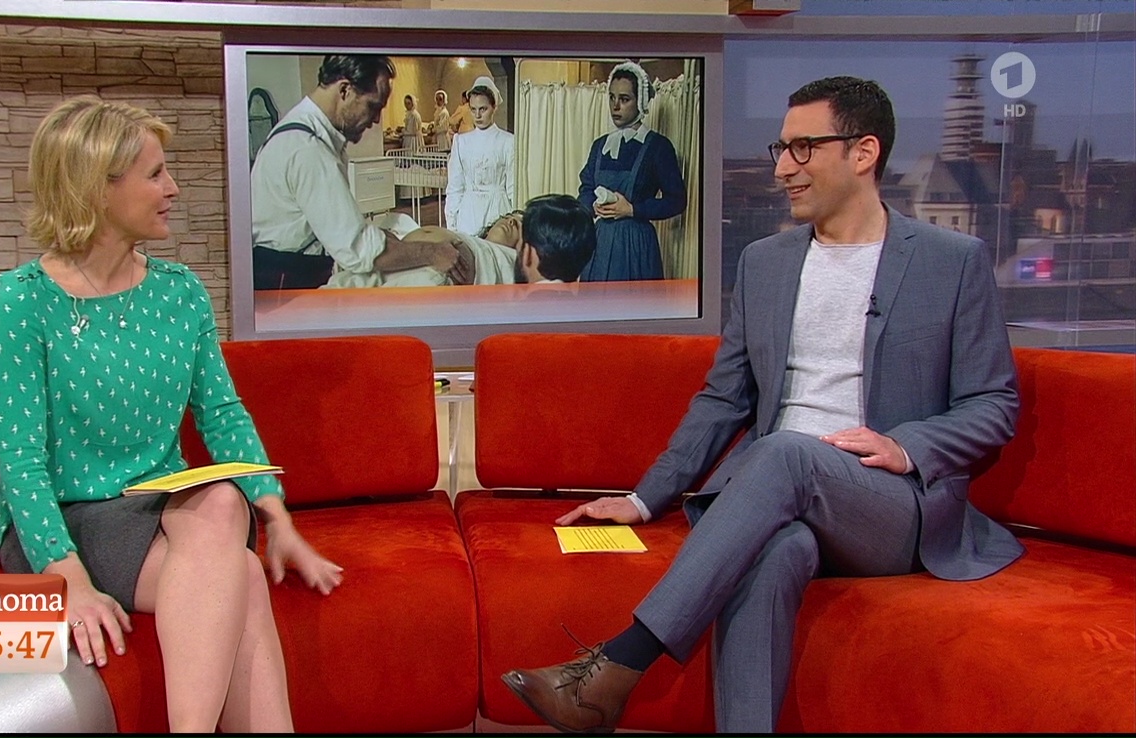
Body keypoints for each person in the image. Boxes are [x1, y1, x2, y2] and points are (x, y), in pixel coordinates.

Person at [502, 76, 1024, 733]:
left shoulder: (952, 261)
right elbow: (724, 397)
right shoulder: (764, 262)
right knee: (774, 551)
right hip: (779, 496)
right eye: (782, 148)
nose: (782, 168)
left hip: (889, 504)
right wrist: (643, 499)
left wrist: (907, 445)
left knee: (783, 455)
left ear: (863, 152)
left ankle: (619, 665)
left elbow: (992, 403)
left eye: (804, 148)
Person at [0, 95, 345, 733]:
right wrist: (68, 580)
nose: (173, 188)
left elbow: (223, 414)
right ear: (97, 188)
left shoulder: (180, 291)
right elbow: (19, 462)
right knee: (238, 568)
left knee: (226, 506)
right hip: (63, 520)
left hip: (157, 506)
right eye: (155, 174)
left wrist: (276, 515)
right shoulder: (22, 301)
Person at [250, 55, 464, 290]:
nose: (376, 119)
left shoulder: (307, 134)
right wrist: (431, 253)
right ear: (345, 90)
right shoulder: (308, 148)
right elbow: (358, 249)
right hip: (285, 281)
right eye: (373, 106)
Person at [330, 193, 595, 288]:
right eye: (511, 217)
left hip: (437, 272)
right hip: (401, 251)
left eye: (519, 228)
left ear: (527, 253)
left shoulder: (493, 262)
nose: (510, 222)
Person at [577, 61, 687, 282]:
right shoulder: (600, 145)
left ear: (641, 102)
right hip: (600, 242)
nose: (615, 106)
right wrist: (591, 206)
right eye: (612, 97)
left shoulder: (657, 146)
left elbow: (677, 201)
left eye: (624, 99)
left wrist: (632, 209)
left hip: (636, 244)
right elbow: (586, 188)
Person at [445, 76, 516, 236]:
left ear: (494, 107)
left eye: (483, 109)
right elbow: (455, 187)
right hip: (468, 215)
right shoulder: (461, 142)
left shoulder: (508, 141)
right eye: (473, 109)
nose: (477, 115)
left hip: (498, 211)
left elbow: (513, 187)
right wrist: (452, 226)